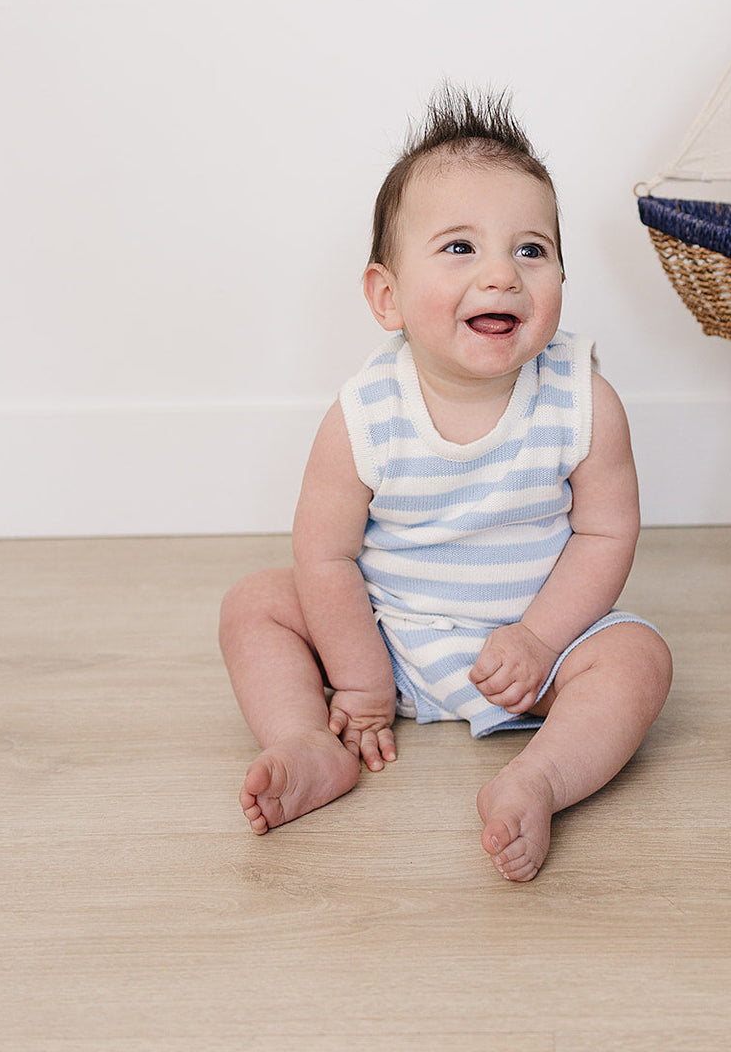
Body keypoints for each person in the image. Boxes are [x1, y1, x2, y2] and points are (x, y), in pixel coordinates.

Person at [219, 86, 671, 881]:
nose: (501, 275)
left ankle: (539, 777)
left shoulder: (580, 400)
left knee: (639, 658)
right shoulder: (363, 414)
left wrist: (540, 639)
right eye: (460, 248)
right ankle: (305, 742)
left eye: (530, 250)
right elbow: (325, 557)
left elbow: (607, 532)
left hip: (537, 655)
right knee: (257, 603)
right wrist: (359, 681)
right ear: (386, 297)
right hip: (387, 640)